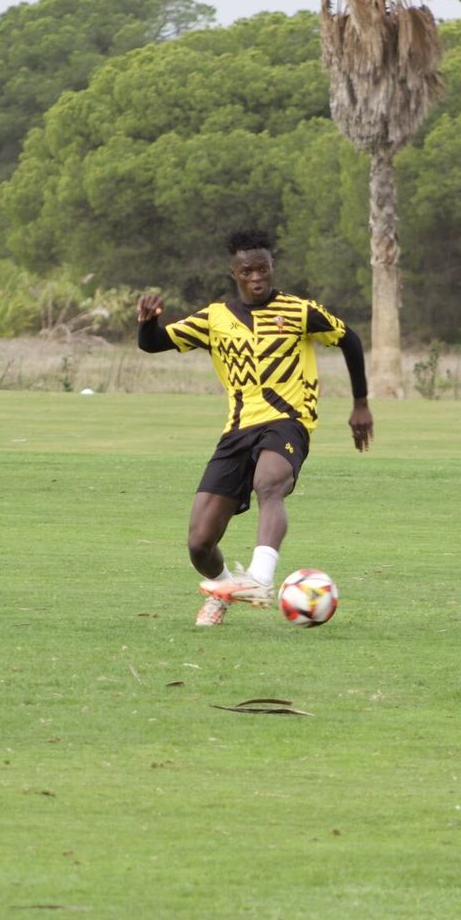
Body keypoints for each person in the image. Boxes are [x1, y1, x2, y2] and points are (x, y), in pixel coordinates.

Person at [136, 228, 373, 626]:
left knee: (270, 483)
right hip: (237, 429)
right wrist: (146, 323)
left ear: (272, 268)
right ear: (234, 273)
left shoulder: (300, 311)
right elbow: (153, 343)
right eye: (248, 271)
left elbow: (350, 339)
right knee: (199, 543)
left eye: (263, 269)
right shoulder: (215, 318)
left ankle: (260, 579)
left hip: (288, 421)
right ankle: (226, 588)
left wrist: (361, 403)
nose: (257, 278)